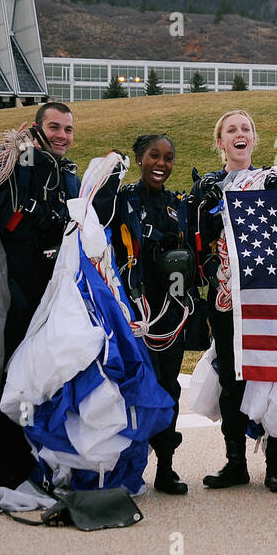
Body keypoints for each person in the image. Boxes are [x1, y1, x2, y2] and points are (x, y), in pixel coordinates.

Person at [0, 102, 79, 490]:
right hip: (11, 298)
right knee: (8, 384)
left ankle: (37, 467)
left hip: (51, 299)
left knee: (43, 382)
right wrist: (8, 150)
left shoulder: (68, 179)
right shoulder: (14, 169)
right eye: (54, 127)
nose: (62, 135)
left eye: (68, 129)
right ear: (36, 129)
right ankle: (3, 474)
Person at [186, 110, 277, 493]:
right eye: (231, 130)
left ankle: (275, 464)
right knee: (233, 378)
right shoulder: (208, 188)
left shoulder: (274, 180)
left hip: (269, 298)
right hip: (227, 297)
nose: (239, 133)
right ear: (221, 143)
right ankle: (235, 462)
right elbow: (194, 239)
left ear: (254, 138)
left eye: (246, 128)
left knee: (274, 376)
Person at [92, 134, 195, 495]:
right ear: (140, 159)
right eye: (154, 156)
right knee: (129, 387)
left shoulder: (179, 204)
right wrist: (109, 175)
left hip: (170, 313)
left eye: (168, 158)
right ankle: (125, 466)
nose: (161, 164)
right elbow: (95, 216)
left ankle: (165, 467)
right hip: (132, 312)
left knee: (168, 389)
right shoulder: (123, 199)